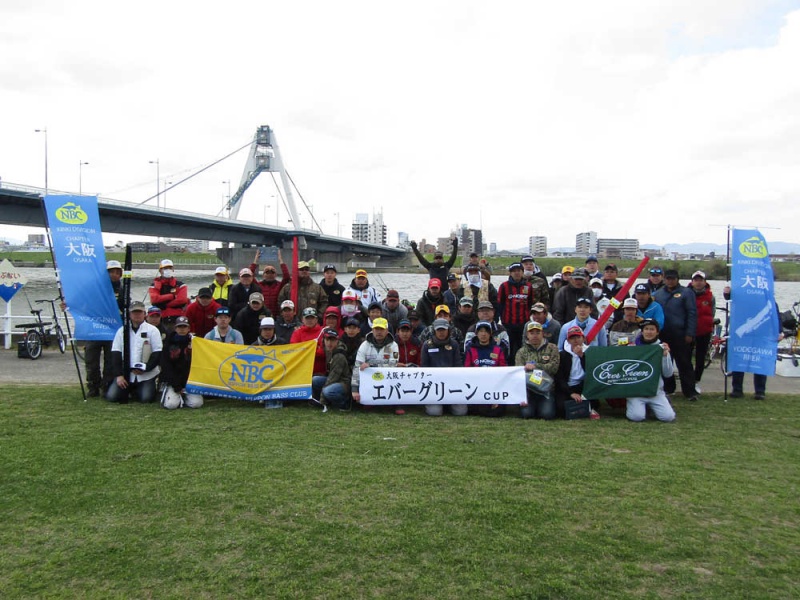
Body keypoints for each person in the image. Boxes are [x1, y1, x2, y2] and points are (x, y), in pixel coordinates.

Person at [106, 301, 163, 404]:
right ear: (129, 314)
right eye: (134, 312)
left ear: (144, 314)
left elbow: (157, 353)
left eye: (139, 312)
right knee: (112, 397)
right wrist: (119, 375)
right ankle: (131, 389)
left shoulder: (153, 330)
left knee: (146, 399)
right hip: (126, 373)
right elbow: (116, 354)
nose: (137, 315)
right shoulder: (121, 331)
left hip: (146, 374)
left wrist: (146, 368)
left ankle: (140, 388)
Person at [654, 269, 697, 401]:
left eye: (673, 278)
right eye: (668, 278)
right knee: (666, 363)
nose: (670, 281)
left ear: (677, 279)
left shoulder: (687, 292)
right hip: (663, 334)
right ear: (664, 279)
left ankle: (690, 391)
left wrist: (690, 332)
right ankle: (668, 389)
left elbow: (692, 313)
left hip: (681, 333)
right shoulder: (658, 294)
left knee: (684, 363)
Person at [82, 259, 123, 397]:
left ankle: (107, 386)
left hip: (112, 331)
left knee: (110, 361)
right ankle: (93, 386)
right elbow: (82, 304)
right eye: (111, 272)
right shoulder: (94, 288)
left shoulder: (123, 289)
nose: (114, 275)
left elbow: (125, 307)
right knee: (91, 360)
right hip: (94, 329)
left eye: (117, 272)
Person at [627, 319, 676, 423]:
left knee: (668, 417)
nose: (649, 332)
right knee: (637, 417)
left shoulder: (661, 347)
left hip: (655, 392)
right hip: (637, 392)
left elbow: (668, 374)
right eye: (646, 329)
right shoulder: (633, 346)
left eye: (652, 329)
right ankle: (639, 406)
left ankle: (659, 404)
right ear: (642, 331)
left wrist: (665, 356)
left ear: (657, 332)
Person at [351, 318, 400, 412]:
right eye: (376, 329)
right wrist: (355, 390)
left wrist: (372, 366)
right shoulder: (364, 345)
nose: (379, 332)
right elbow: (357, 366)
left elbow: (393, 364)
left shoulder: (394, 345)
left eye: (381, 329)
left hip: (387, 379)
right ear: (372, 330)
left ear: (387, 331)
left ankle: (395, 404)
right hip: (369, 380)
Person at [420, 318, 466, 417]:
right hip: (433, 385)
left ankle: (449, 404)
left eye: (443, 330)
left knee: (461, 412)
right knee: (435, 412)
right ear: (434, 331)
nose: (441, 333)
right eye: (439, 330)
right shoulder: (427, 345)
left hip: (452, 384)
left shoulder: (454, 344)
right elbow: (424, 366)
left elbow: (458, 364)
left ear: (448, 330)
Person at [516, 321, 560, 420]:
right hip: (528, 391)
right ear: (527, 335)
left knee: (547, 415)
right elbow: (518, 372)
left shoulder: (552, 348)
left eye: (537, 333)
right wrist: (524, 368)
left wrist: (535, 366)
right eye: (532, 333)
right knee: (526, 414)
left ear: (543, 333)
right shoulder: (521, 352)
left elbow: (554, 368)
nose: (535, 336)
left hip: (546, 390)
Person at [465, 320, 508, 417]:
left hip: (494, 387)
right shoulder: (470, 350)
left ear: (490, 334)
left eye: (486, 331)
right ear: (476, 334)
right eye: (481, 331)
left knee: (499, 410)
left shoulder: (498, 349)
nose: (483, 334)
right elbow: (467, 370)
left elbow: (503, 369)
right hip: (476, 387)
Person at [555, 325, 599, 419]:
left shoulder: (590, 352)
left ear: (583, 338)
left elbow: (592, 372)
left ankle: (588, 408)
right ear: (568, 340)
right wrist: (571, 393)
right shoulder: (562, 355)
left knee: (594, 402)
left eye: (578, 337)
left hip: (584, 386)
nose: (575, 340)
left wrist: (581, 356)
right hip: (568, 386)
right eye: (572, 338)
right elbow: (559, 378)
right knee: (560, 408)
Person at [160, 316, 204, 410]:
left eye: (184, 327)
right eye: (180, 327)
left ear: (188, 328)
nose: (182, 329)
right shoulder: (168, 343)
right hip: (173, 381)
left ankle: (184, 397)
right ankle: (169, 392)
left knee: (197, 403)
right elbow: (166, 366)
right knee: (171, 405)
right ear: (175, 328)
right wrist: (176, 385)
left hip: (189, 381)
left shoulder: (195, 342)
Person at [498, 262, 534, 360]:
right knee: (509, 349)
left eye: (519, 271)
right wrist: (502, 320)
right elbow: (500, 304)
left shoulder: (529, 286)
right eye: (514, 271)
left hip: (523, 324)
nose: (516, 273)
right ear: (510, 273)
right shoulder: (504, 286)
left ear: (522, 272)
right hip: (508, 324)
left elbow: (530, 303)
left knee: (522, 348)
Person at [311, 328, 352, 410]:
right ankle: (317, 400)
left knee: (328, 391)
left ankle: (344, 403)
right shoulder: (327, 350)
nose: (329, 343)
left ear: (337, 341)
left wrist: (323, 399)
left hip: (344, 382)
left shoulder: (339, 355)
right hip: (333, 379)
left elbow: (333, 377)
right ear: (323, 340)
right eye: (327, 340)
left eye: (332, 340)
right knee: (314, 380)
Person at [689, 270, 716, 391]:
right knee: (686, 357)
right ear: (692, 282)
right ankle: (687, 380)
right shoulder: (686, 294)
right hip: (689, 331)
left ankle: (696, 381)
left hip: (704, 331)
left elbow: (713, 312)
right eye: (696, 280)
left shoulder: (711, 296)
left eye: (701, 280)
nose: (698, 283)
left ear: (705, 282)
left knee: (700, 358)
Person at [148, 259, 189, 331]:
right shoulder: (154, 285)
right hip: (160, 318)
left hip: (177, 318)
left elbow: (181, 300)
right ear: (160, 270)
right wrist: (172, 296)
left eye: (170, 268)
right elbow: (154, 299)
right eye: (165, 268)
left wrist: (164, 304)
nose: (168, 270)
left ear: (173, 269)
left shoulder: (181, 285)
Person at [250, 249, 290, 316]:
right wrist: (255, 260)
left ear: (275, 275)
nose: (270, 275)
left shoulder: (279, 285)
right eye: (267, 272)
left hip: (277, 315)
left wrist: (280, 260)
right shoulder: (259, 286)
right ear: (263, 275)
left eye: (272, 272)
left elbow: (287, 277)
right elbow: (250, 275)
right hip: (262, 314)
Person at [290, 307, 326, 376]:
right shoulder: (297, 333)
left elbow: (324, 352)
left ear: (316, 319)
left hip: (320, 373)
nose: (309, 320)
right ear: (302, 320)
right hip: (301, 372)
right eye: (307, 318)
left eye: (312, 318)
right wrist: (315, 348)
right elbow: (294, 350)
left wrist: (305, 349)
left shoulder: (323, 332)